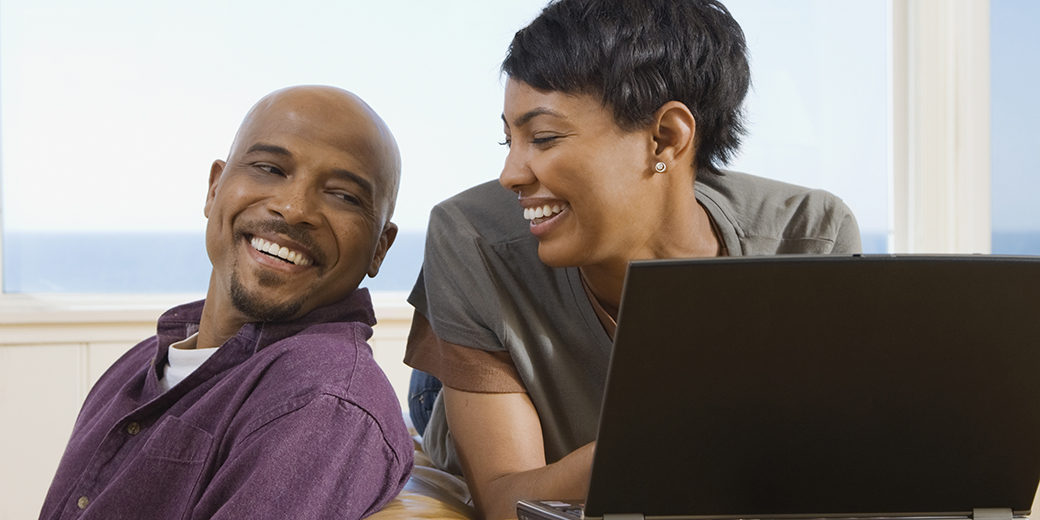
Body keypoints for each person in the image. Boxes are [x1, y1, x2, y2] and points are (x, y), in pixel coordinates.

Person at [404, 0, 862, 518]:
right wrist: (652, 455)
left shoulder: (811, 237)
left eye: (544, 137)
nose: (511, 173)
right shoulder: (468, 236)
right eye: (509, 138)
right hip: (480, 364)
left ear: (665, 137)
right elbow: (506, 497)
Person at [39, 86, 413, 520]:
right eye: (270, 168)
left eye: (344, 196)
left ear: (379, 249)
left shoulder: (323, 404)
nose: (293, 208)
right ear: (214, 187)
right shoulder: (135, 365)